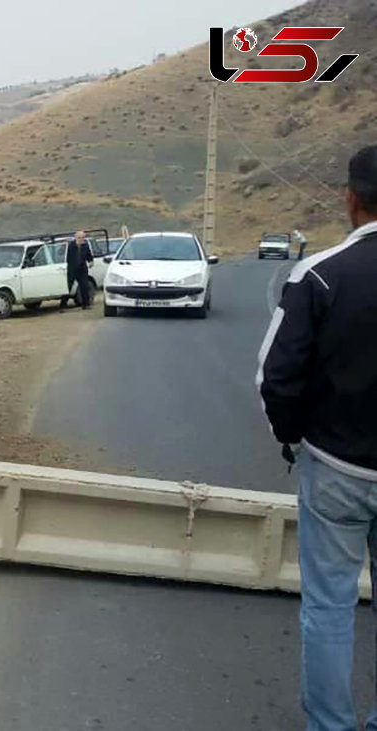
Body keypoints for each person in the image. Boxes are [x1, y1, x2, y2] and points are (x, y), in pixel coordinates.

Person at [258, 145, 377, 731]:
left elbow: (275, 377)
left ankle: (331, 726)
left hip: (336, 467)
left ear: (352, 200)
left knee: (329, 606)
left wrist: (292, 437)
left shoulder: (318, 275)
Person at [65, 230, 95, 309]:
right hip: (72, 269)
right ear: (75, 238)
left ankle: (86, 304)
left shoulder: (85, 246)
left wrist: (91, 261)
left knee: (84, 286)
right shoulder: (71, 246)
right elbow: (68, 258)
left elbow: (89, 255)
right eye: (79, 238)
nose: (81, 239)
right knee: (68, 286)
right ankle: (63, 304)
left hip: (82, 269)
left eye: (82, 238)